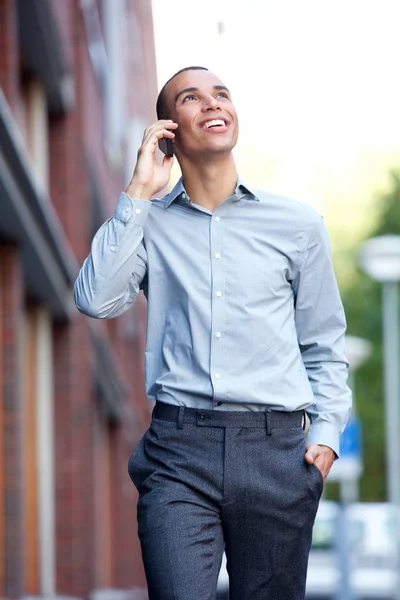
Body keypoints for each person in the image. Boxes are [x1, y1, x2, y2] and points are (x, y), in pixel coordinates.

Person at [74, 66, 352, 600]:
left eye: (220, 94)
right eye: (191, 97)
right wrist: (136, 192)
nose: (212, 103)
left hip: (277, 452)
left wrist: (324, 436)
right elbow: (95, 300)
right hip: (179, 450)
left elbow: (324, 344)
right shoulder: (147, 222)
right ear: (168, 130)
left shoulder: (297, 225)